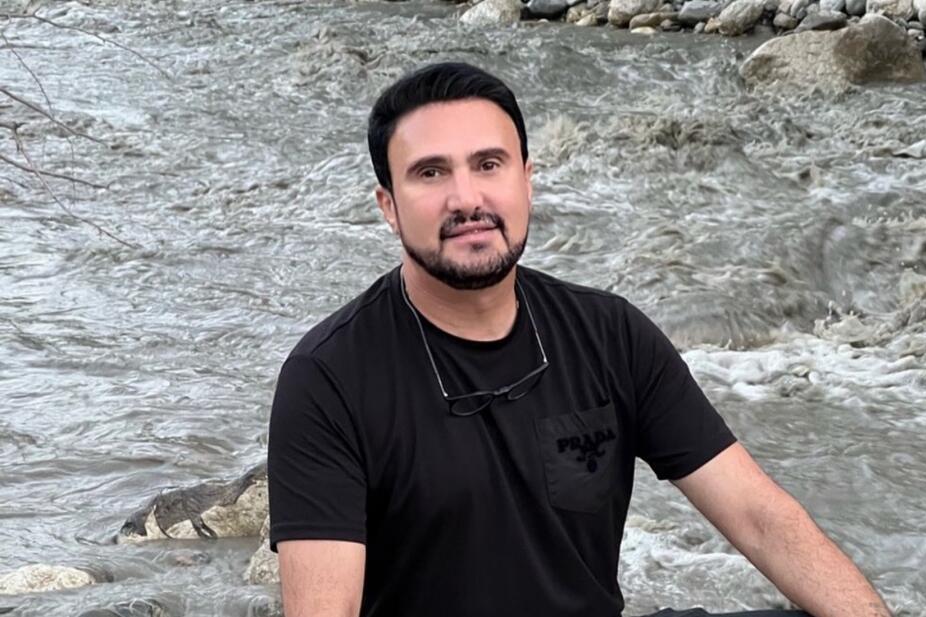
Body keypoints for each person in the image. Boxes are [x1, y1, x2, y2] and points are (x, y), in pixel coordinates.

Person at [266, 62, 893, 617]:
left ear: (527, 179)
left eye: (489, 165)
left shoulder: (610, 334)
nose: (467, 198)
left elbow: (760, 519)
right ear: (389, 205)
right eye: (431, 173)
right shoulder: (329, 378)